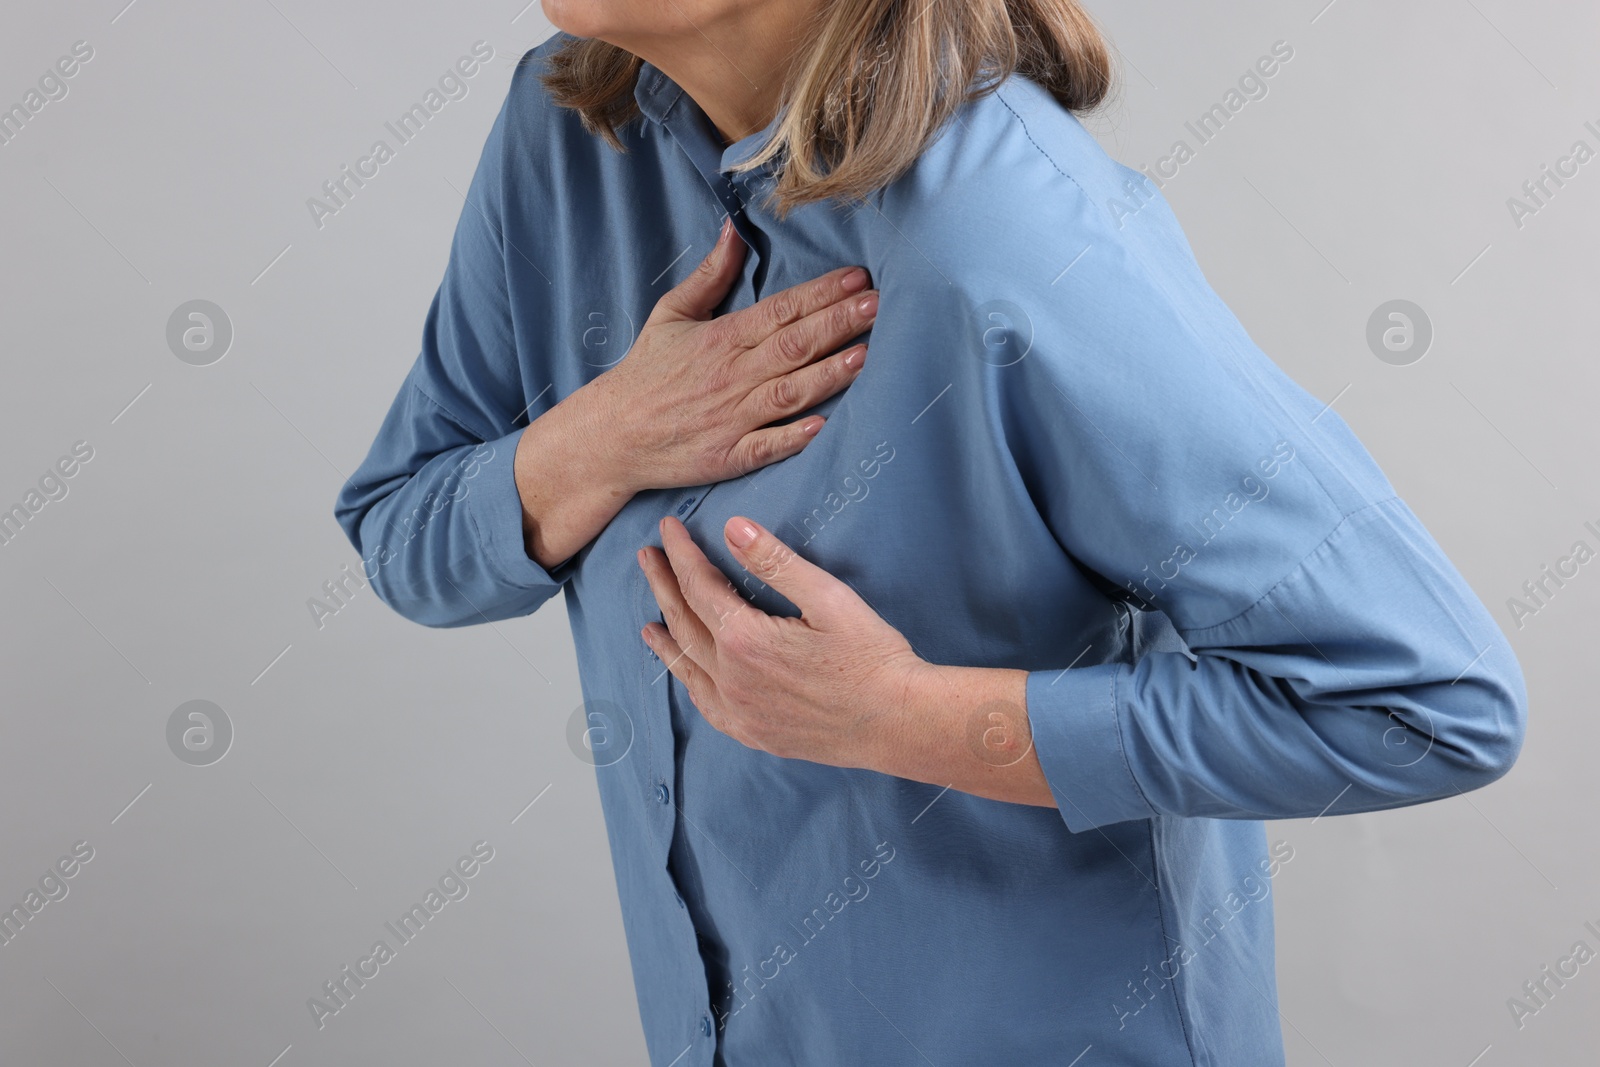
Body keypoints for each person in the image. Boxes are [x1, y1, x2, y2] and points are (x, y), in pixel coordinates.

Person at [333, 2, 1528, 1063]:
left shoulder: (1010, 236)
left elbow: (1429, 702)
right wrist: (604, 435)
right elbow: (401, 532)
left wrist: (895, 714)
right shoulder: (563, 135)